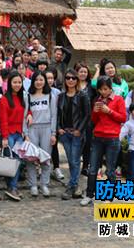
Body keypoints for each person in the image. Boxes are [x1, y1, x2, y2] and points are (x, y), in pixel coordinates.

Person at [80, 76, 126, 206]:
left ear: (111, 88)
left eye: (105, 89)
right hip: (98, 138)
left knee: (110, 170)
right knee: (93, 168)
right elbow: (94, 121)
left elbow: (123, 118)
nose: (103, 92)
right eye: (100, 89)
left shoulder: (118, 100)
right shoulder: (97, 100)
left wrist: (109, 111)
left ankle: (109, 196)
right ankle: (89, 195)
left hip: (112, 138)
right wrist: (94, 112)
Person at [23, 71, 58, 197]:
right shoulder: (28, 96)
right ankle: (33, 185)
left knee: (46, 158)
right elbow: (24, 116)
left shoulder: (50, 96)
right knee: (31, 158)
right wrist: (25, 133)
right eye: (36, 80)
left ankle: (44, 184)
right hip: (32, 129)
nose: (39, 82)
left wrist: (53, 133)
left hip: (47, 128)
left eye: (41, 79)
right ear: (33, 81)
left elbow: (54, 116)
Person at [57, 69, 90, 200]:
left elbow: (87, 115)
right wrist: (59, 128)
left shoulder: (82, 95)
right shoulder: (61, 96)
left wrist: (80, 130)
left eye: (73, 78)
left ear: (77, 80)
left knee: (75, 160)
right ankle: (75, 187)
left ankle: (71, 186)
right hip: (65, 133)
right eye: (68, 78)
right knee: (71, 160)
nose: (70, 80)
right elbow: (58, 114)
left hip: (77, 133)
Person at [0, 71, 26, 201]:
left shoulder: (23, 98)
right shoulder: (5, 99)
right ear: (10, 83)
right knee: (11, 160)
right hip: (9, 133)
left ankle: (12, 187)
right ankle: (12, 187)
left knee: (18, 161)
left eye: (19, 82)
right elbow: (3, 119)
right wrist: (4, 137)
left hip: (19, 134)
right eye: (14, 82)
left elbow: (26, 112)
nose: (17, 85)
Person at [75, 62, 96, 176]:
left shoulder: (91, 86)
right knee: (76, 143)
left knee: (88, 144)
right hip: (75, 119)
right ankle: (75, 166)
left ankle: (85, 167)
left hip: (89, 119)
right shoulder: (73, 85)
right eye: (81, 71)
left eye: (85, 72)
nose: (83, 74)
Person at [45, 69, 64, 181]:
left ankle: (56, 168)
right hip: (41, 124)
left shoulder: (57, 92)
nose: (50, 80)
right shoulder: (37, 92)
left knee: (54, 146)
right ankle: (42, 167)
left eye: (51, 78)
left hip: (54, 123)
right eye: (47, 78)